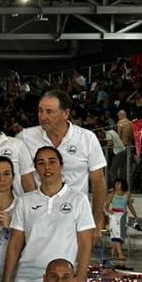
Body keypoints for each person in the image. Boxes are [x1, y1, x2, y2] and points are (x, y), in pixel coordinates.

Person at [1, 146, 95, 282]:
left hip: (61, 281)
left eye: (52, 161)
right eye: (41, 163)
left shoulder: (78, 199)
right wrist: (6, 281)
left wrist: (80, 277)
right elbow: (15, 244)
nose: (47, 167)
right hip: (26, 278)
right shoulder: (25, 200)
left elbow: (85, 243)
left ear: (61, 165)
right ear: (36, 168)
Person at [18, 90, 107, 237]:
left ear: (65, 114)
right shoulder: (25, 137)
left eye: (49, 112)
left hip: (75, 220)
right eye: (40, 111)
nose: (43, 117)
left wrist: (96, 222)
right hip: (37, 220)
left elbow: (98, 182)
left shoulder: (87, 138)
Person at [107, 177, 138, 263]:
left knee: (122, 235)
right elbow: (105, 206)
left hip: (123, 216)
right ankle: (120, 254)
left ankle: (113, 250)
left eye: (118, 183)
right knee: (116, 234)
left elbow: (130, 205)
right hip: (114, 216)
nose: (117, 185)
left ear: (122, 184)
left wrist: (135, 214)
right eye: (116, 183)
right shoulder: (112, 194)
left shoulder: (127, 194)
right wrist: (108, 211)